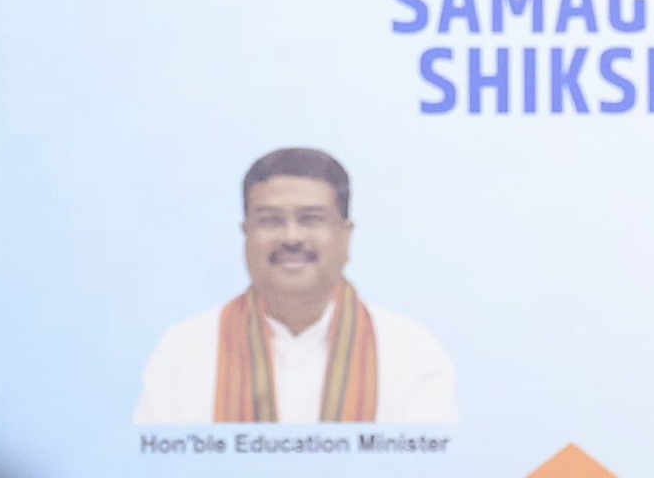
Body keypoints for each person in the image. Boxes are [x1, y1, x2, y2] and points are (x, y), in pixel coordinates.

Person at [134, 149, 458, 424]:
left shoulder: (408, 352)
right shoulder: (185, 350)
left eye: (311, 219)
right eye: (270, 220)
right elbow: (155, 467)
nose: (291, 237)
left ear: (345, 236)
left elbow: (429, 467)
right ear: (246, 234)